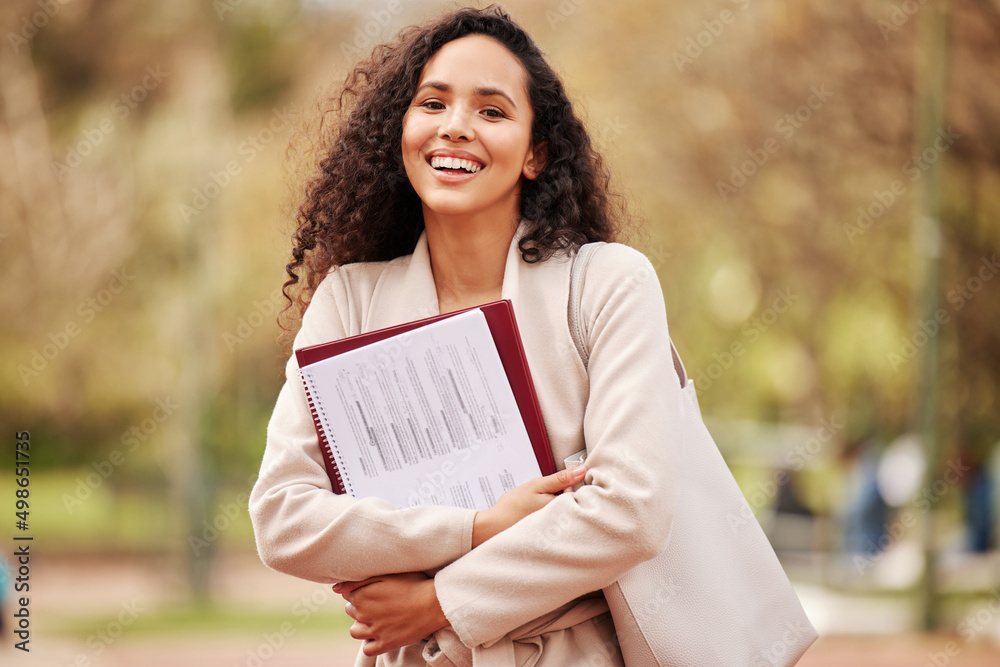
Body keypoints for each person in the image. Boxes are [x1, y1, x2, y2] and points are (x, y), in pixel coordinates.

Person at [249, 5, 681, 665]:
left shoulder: (608, 284)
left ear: (536, 151)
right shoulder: (350, 299)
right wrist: (476, 527)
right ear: (401, 129)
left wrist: (438, 599)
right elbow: (282, 516)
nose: (455, 127)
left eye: (492, 111)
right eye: (433, 103)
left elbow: (629, 510)